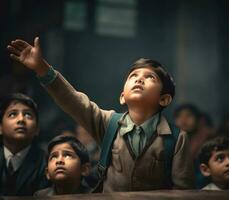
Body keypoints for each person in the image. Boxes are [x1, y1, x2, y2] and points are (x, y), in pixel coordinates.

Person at [7, 37, 194, 192]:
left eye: (150, 77)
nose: (139, 80)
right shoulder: (108, 123)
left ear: (164, 99)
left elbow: (182, 191)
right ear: (122, 96)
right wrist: (42, 69)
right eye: (133, 76)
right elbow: (73, 100)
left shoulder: (176, 138)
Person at [0, 93, 48, 195]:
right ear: (0, 128)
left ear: (37, 129)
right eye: (12, 114)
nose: (21, 119)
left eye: (28, 115)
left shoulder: (47, 163)